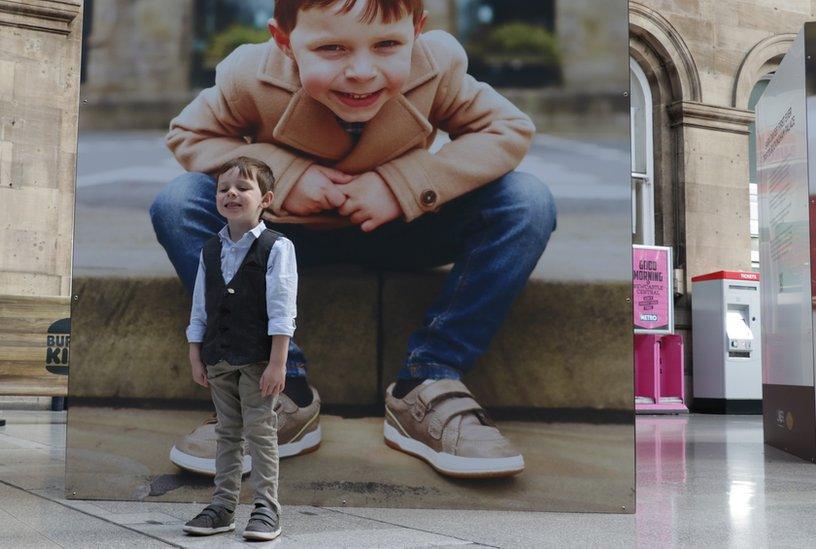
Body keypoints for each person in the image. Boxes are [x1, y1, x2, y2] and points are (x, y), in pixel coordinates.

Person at [152, 0, 556, 479]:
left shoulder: (437, 63)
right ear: (284, 41)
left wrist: (400, 184)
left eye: (387, 45)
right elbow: (191, 134)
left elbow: (507, 128)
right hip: (285, 237)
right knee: (181, 202)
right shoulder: (250, 73)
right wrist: (285, 177)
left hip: (403, 230)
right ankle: (279, 387)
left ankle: (429, 378)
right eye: (331, 48)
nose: (362, 71)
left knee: (526, 200)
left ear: (417, 32)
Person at [180, 157, 295, 541]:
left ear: (265, 199)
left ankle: (266, 508)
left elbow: (282, 310)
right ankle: (223, 505)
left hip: (258, 359)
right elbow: (201, 307)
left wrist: (278, 363)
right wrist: (197, 353)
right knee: (227, 433)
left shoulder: (277, 248)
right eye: (223, 188)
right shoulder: (209, 250)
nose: (231, 193)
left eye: (243, 188)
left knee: (261, 432)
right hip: (218, 358)